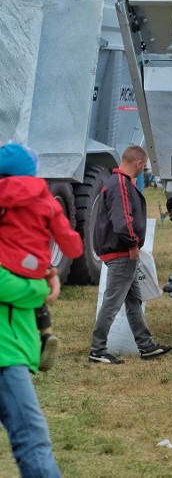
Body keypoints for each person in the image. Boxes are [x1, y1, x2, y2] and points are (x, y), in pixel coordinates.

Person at [0, 142, 74, 477]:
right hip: (5, 354)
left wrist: (45, 274)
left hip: (13, 347)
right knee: (32, 441)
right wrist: (41, 287)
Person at [0, 142, 83, 373]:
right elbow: (71, 243)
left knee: (20, 299)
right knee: (39, 296)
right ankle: (46, 334)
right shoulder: (46, 200)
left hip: (7, 263)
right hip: (38, 266)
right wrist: (75, 246)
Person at [89, 145, 171, 364]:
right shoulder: (120, 185)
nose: (142, 170)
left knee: (133, 300)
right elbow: (123, 219)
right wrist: (133, 244)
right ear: (138, 163)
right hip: (122, 253)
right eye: (143, 167)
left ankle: (146, 346)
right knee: (112, 302)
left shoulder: (115, 183)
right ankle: (97, 349)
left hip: (120, 252)